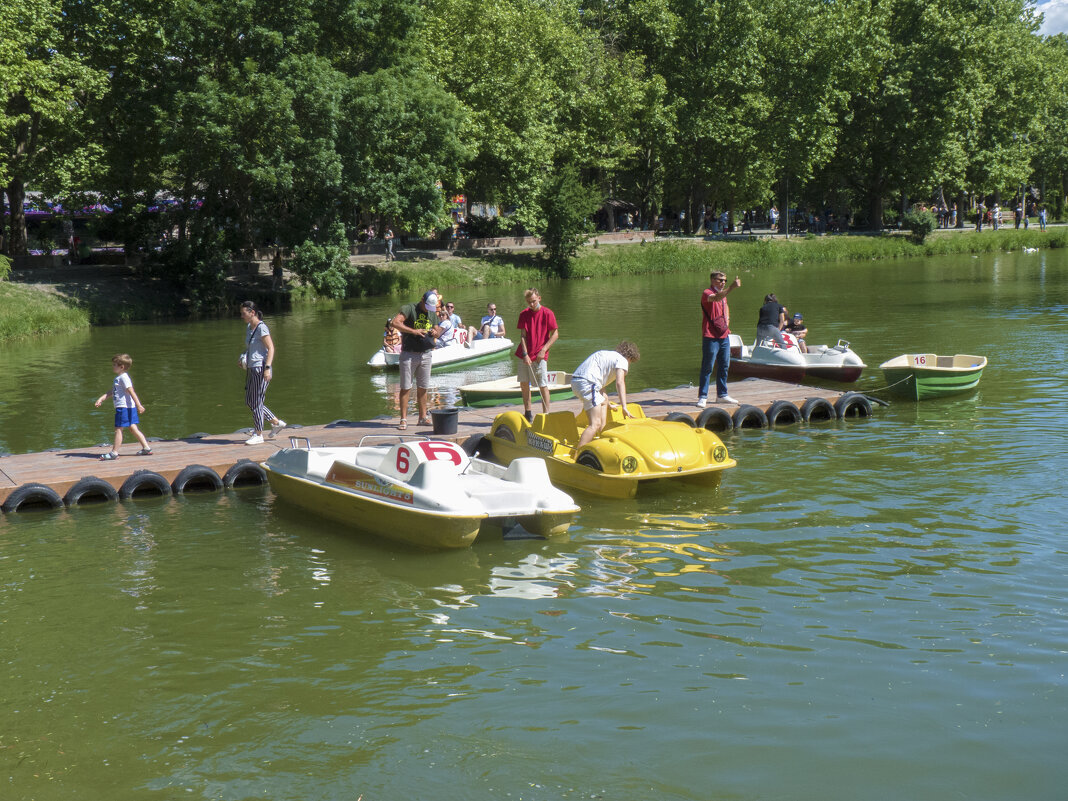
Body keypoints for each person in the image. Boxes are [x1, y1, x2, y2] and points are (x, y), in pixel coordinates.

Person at [570, 341, 641, 449]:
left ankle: (602, 433)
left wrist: (608, 403)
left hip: (577, 381)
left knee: (603, 400)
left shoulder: (607, 355)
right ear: (630, 357)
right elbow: (620, 382)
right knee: (595, 424)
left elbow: (600, 385)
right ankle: (578, 453)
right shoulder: (622, 360)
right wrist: (624, 407)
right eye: (631, 362)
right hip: (587, 383)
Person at [391, 289, 441, 429]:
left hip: (426, 353)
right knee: (406, 387)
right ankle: (403, 419)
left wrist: (435, 332)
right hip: (409, 353)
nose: (428, 310)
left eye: (431, 308)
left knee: (423, 387)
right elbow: (395, 323)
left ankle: (423, 417)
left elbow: (438, 329)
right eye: (426, 306)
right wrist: (414, 331)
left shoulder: (432, 312)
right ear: (422, 300)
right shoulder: (409, 309)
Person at [239, 300, 286, 445]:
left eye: (243, 313)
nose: (241, 316)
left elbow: (271, 348)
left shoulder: (262, 328)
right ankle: (276, 423)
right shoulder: (249, 327)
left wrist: (267, 368)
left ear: (252, 312)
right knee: (250, 401)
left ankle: (258, 434)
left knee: (257, 402)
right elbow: (251, 348)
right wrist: (243, 358)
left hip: (261, 368)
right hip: (252, 368)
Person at [94, 353, 153, 460]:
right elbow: (113, 391)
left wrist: (139, 405)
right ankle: (146, 448)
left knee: (118, 429)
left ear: (121, 367)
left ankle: (114, 453)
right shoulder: (119, 378)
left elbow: (131, 391)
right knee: (133, 428)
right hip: (129, 407)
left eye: (114, 365)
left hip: (123, 408)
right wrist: (102, 398)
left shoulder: (123, 378)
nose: (113, 366)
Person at [697, 271, 741, 407]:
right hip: (710, 336)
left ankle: (722, 394)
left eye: (725, 281)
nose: (723, 283)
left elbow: (725, 305)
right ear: (712, 280)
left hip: (723, 335)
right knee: (708, 367)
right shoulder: (707, 293)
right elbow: (716, 298)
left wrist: (727, 321)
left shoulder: (724, 295)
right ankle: (703, 396)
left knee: (724, 366)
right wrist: (732, 287)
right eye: (720, 280)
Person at [514, 287, 559, 421]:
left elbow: (555, 334)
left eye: (533, 301)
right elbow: (523, 336)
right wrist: (525, 354)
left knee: (542, 384)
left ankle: (546, 414)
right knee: (524, 383)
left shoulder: (548, 313)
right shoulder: (524, 314)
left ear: (539, 298)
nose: (532, 304)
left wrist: (544, 350)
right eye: (529, 302)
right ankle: (528, 413)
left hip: (540, 354)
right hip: (525, 353)